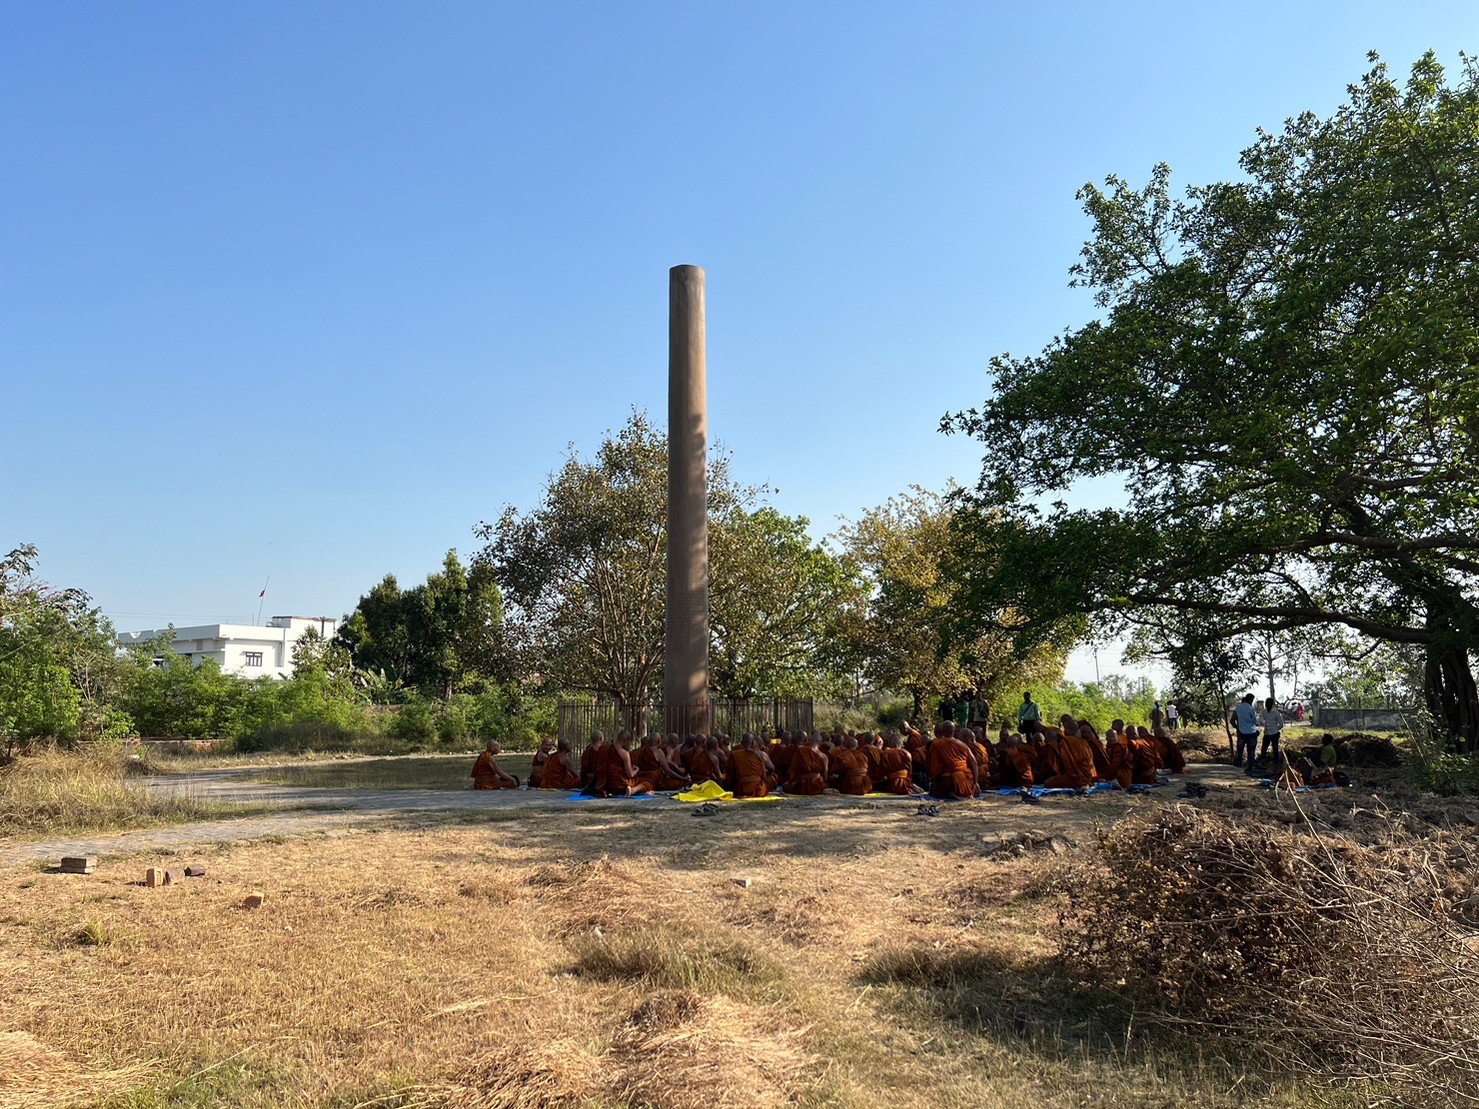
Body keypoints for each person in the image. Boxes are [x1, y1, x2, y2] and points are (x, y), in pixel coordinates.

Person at [926, 722, 979, 799]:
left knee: (934, 790)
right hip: (967, 781)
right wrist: (976, 783)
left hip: (951, 781)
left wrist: (935, 777)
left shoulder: (936, 744)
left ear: (943, 731)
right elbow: (974, 763)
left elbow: (933, 766)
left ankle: (952, 794)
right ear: (954, 731)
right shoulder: (963, 745)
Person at [1231, 694, 1260, 771]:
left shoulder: (1238, 708)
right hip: (1252, 732)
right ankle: (1250, 766)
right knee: (1251, 750)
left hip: (1241, 732)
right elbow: (1256, 722)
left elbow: (1232, 721)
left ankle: (1239, 764)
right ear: (1251, 700)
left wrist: (1237, 727)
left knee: (1240, 749)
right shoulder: (1251, 709)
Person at [1260, 697, 1284, 764]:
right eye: (1266, 703)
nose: (1267, 704)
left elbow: (1281, 724)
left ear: (1272, 704)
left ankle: (1276, 762)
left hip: (1274, 733)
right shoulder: (1264, 712)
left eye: (1269, 703)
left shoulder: (1276, 713)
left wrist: (1276, 729)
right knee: (1264, 748)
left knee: (1275, 748)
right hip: (1267, 733)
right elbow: (1261, 719)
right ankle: (1262, 761)